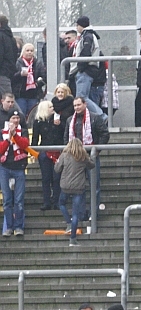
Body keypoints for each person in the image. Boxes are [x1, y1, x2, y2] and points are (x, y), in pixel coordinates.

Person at [0, 109, 28, 238]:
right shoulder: (2, 132)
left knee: (19, 200)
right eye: (13, 118)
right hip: (5, 168)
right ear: (9, 120)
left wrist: (15, 135)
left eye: (17, 118)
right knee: (7, 200)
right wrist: (8, 139)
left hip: (19, 168)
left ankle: (18, 226)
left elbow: (24, 144)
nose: (16, 121)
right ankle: (9, 227)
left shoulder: (23, 131)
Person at [30, 100, 62, 211]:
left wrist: (59, 125)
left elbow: (62, 135)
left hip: (57, 151)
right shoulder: (38, 122)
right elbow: (35, 138)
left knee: (56, 177)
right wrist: (34, 153)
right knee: (46, 178)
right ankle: (46, 202)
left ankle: (57, 201)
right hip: (44, 152)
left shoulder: (57, 119)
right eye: (50, 107)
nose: (53, 108)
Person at [69, 16, 101, 106]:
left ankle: (100, 114)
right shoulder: (88, 35)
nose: (76, 27)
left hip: (86, 70)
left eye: (77, 25)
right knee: (83, 98)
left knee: (81, 98)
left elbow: (86, 52)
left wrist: (80, 67)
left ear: (81, 25)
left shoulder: (87, 36)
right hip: (87, 70)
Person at [12, 43, 45, 117]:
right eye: (27, 50)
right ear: (23, 52)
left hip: (34, 94)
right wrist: (20, 74)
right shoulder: (17, 62)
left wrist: (37, 83)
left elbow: (44, 77)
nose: (29, 52)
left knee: (32, 115)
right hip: (21, 94)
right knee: (21, 115)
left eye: (31, 51)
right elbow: (12, 77)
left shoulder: (38, 63)